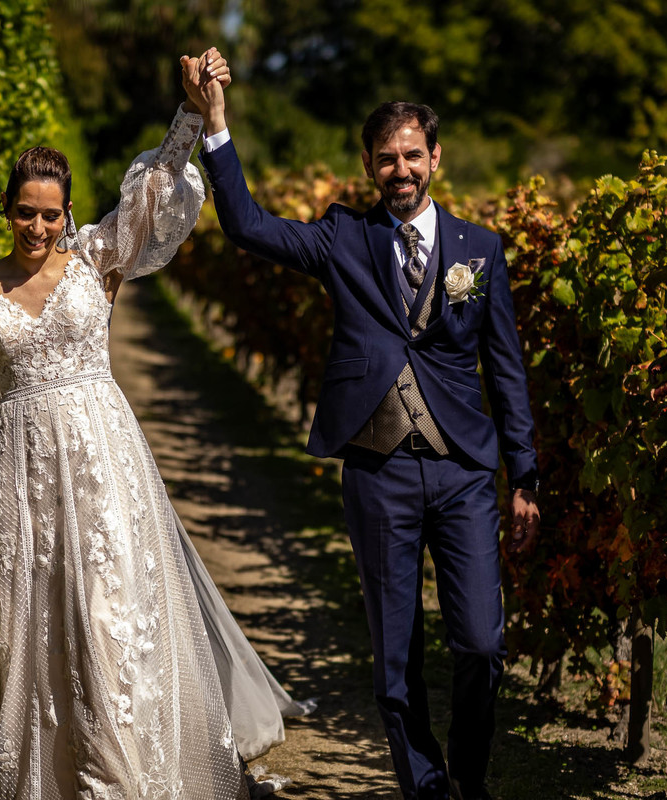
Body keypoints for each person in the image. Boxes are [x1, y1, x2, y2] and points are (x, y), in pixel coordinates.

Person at [0, 50, 308, 800]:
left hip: (104, 465)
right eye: (25, 211)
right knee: (41, 628)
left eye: (51, 213)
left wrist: (191, 113)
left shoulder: (94, 260)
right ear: (5, 208)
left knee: (108, 617)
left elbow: (158, 185)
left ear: (66, 213)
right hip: (21, 479)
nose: (38, 226)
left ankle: (128, 776)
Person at [184, 51, 541, 800]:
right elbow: (247, 226)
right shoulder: (343, 237)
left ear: (435, 158)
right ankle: (426, 789)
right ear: (370, 166)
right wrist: (216, 122)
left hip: (464, 472)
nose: (400, 170)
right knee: (395, 661)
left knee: (482, 643)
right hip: (379, 474)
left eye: (412, 155)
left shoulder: (480, 250)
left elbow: (505, 368)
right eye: (386, 158)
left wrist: (524, 476)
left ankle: (468, 778)